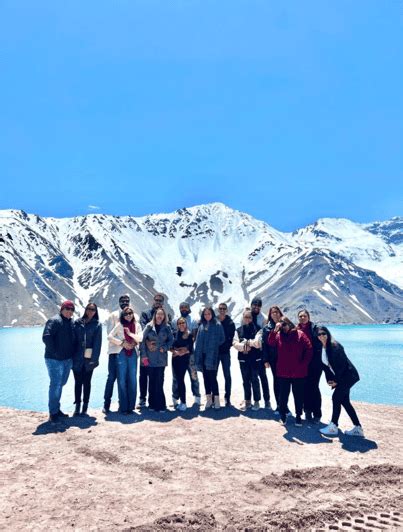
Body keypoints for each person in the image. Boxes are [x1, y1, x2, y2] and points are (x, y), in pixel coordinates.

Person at [317, 326, 364, 437]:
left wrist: (337, 381)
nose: (321, 336)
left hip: (348, 376)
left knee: (336, 398)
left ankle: (333, 426)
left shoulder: (335, 346)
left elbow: (342, 367)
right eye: (319, 334)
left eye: (324, 333)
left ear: (328, 334)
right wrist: (329, 380)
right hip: (341, 378)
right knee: (345, 401)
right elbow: (326, 368)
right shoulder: (322, 348)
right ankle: (358, 428)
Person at [267, 317, 312, 427]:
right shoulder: (278, 335)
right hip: (283, 372)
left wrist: (303, 365)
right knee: (283, 395)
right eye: (282, 325)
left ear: (290, 324)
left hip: (298, 372)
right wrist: (274, 331)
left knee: (298, 395)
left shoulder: (300, 334)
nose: (284, 327)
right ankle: (283, 415)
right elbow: (270, 342)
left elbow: (309, 349)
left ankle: (298, 416)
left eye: (285, 324)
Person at [42, 300, 77, 423]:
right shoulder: (54, 320)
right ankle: (53, 413)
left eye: (72, 310)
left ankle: (56, 409)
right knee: (56, 384)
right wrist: (55, 352)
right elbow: (46, 336)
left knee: (61, 383)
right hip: (54, 360)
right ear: (62, 309)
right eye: (67, 309)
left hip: (67, 360)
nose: (69, 311)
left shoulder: (71, 322)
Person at [108, 306, 143, 414]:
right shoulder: (120, 325)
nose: (129, 315)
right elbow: (109, 336)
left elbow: (140, 338)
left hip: (133, 353)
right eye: (126, 313)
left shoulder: (137, 325)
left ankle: (131, 406)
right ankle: (123, 407)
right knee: (122, 380)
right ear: (123, 315)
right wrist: (122, 343)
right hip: (122, 353)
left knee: (132, 379)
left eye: (130, 313)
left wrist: (131, 336)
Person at [139, 293, 171, 407]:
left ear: (163, 302)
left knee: (156, 377)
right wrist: (147, 342)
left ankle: (156, 401)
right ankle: (143, 398)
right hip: (146, 351)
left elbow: (169, 334)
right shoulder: (145, 314)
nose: (158, 302)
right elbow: (142, 330)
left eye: (160, 300)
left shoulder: (166, 316)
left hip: (158, 354)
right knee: (144, 375)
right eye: (156, 300)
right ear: (153, 300)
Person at [103, 294, 131, 413]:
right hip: (114, 352)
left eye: (127, 301)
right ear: (119, 302)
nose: (124, 302)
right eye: (122, 301)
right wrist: (121, 343)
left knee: (124, 379)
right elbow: (109, 334)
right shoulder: (113, 315)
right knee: (111, 377)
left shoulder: (132, 315)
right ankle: (106, 404)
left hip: (127, 353)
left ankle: (122, 404)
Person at [72, 302, 102, 416]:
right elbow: (73, 341)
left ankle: (85, 406)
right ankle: (77, 406)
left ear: (96, 312)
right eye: (89, 309)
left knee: (87, 382)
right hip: (77, 358)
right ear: (85, 310)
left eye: (93, 310)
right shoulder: (78, 323)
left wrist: (94, 360)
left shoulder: (97, 325)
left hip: (89, 360)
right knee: (77, 382)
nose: (90, 311)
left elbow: (97, 344)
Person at [194, 306, 225, 410]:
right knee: (205, 378)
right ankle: (208, 399)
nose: (207, 316)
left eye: (209, 314)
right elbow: (198, 341)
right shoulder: (201, 326)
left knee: (212, 378)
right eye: (205, 314)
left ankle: (216, 400)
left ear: (212, 314)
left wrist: (212, 346)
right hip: (202, 355)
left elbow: (222, 339)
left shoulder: (217, 324)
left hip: (212, 355)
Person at [171, 302, 201, 407]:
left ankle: (197, 396)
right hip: (177, 354)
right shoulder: (175, 321)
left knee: (193, 375)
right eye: (181, 307)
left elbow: (194, 336)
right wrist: (176, 351)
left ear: (189, 308)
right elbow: (173, 337)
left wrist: (186, 349)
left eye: (185, 307)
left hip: (190, 354)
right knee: (176, 377)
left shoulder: (193, 320)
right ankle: (175, 397)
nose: (183, 309)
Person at [233, 310, 262, 411]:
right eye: (246, 317)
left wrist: (248, 343)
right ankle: (247, 400)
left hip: (255, 358)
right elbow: (235, 344)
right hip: (243, 359)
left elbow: (258, 342)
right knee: (245, 380)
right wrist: (244, 347)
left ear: (252, 318)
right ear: (243, 318)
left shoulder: (258, 329)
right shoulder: (238, 330)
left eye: (249, 317)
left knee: (254, 379)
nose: (248, 319)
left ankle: (257, 401)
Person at [297, 309, 322, 423]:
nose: (302, 318)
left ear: (309, 317)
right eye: (300, 316)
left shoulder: (315, 329)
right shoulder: (296, 329)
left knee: (314, 388)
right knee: (304, 388)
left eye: (304, 316)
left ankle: (317, 413)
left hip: (315, 364)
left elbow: (321, 344)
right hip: (302, 365)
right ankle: (307, 411)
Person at [261, 305, 286, 415]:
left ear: (280, 313)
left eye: (277, 312)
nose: (275, 314)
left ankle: (285, 405)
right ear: (270, 315)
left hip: (286, 358)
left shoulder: (285, 325)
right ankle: (279, 405)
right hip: (273, 358)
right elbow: (265, 345)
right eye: (273, 312)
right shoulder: (267, 328)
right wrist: (265, 360)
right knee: (277, 381)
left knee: (285, 382)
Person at [170, 317, 194, 411]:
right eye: (179, 323)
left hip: (184, 360)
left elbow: (191, 349)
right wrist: (176, 351)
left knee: (181, 379)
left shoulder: (189, 334)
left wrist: (182, 352)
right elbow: (171, 346)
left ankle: (183, 402)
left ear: (186, 323)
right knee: (177, 380)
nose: (181, 325)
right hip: (175, 359)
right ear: (177, 325)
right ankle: (179, 401)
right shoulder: (175, 334)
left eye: (183, 323)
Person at [251, 297, 270, 408]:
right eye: (254, 305)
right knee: (254, 377)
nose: (256, 307)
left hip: (260, 351)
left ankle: (267, 400)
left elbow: (264, 335)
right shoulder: (247, 314)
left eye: (258, 305)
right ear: (251, 305)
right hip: (250, 352)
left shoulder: (263, 318)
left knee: (263, 376)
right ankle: (256, 400)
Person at [217, 303, 236, 406]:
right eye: (220, 309)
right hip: (215, 353)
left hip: (225, 353)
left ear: (227, 310)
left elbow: (232, 337)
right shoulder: (214, 321)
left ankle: (227, 397)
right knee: (213, 374)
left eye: (224, 309)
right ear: (218, 310)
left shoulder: (230, 323)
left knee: (227, 375)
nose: (222, 310)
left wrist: (227, 345)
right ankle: (214, 396)